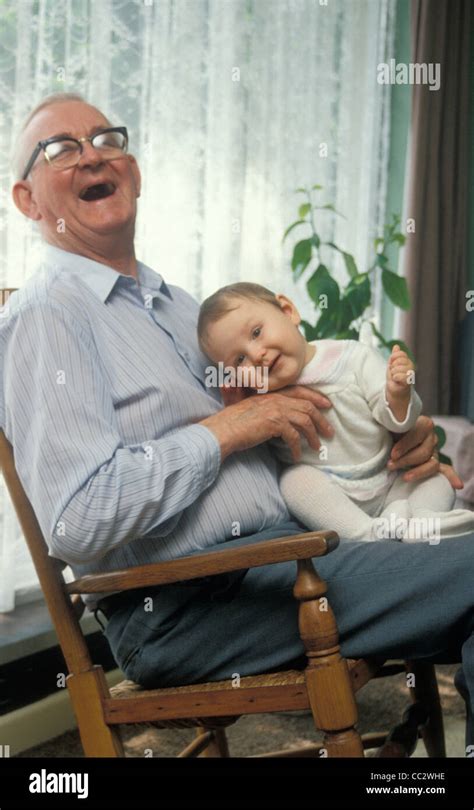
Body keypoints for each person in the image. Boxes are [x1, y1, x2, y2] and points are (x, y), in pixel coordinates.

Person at [1, 93, 473, 753]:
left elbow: (283, 426)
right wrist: (231, 429)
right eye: (61, 149)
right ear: (28, 200)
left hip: (300, 545)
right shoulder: (47, 317)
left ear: (132, 171)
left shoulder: (179, 308)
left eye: (106, 139)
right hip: (192, 604)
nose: (91, 156)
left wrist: (402, 439)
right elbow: (77, 519)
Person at [197, 282, 474, 543]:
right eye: (240, 359)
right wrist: (236, 409)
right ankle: (370, 534)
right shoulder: (261, 405)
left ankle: (420, 522)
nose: (256, 355)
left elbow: (397, 421)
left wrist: (399, 393)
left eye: (257, 333)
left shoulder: (352, 357)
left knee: (437, 479)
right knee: (294, 482)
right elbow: (252, 451)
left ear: (287, 311)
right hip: (335, 499)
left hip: (391, 483)